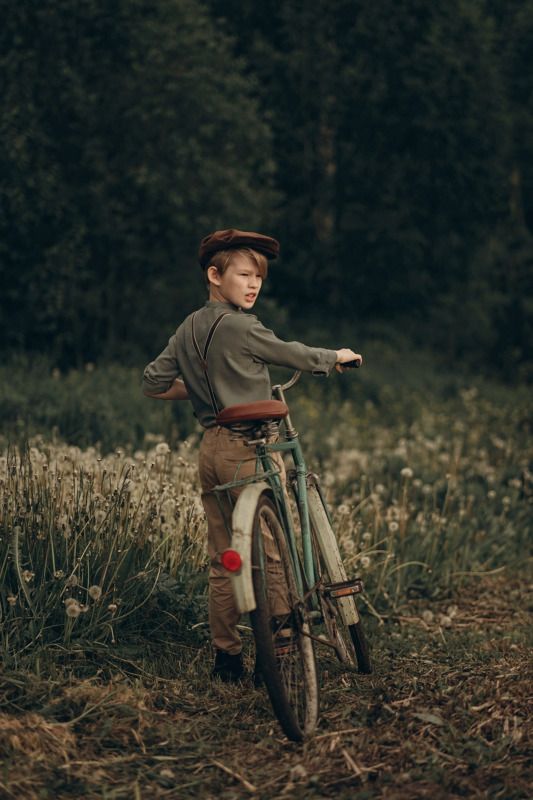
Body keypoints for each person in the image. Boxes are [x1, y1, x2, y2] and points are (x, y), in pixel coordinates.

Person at [143, 228, 362, 682]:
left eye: (257, 277)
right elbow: (288, 353)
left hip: (211, 450)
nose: (253, 284)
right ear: (214, 275)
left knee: (225, 556)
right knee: (272, 550)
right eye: (244, 274)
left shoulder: (187, 328)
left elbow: (154, 383)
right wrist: (334, 356)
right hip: (250, 446)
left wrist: (207, 394)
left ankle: (226, 658)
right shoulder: (243, 326)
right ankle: (279, 655)